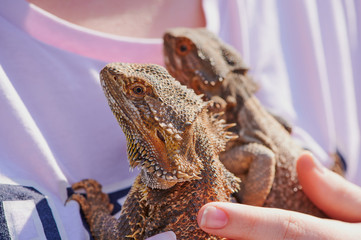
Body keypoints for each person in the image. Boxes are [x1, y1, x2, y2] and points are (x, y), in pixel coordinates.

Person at [0, 0, 360, 239]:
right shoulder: (190, 175)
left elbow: (114, 235)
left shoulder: (163, 191)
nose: (115, 72)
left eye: (138, 91)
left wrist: (95, 205)